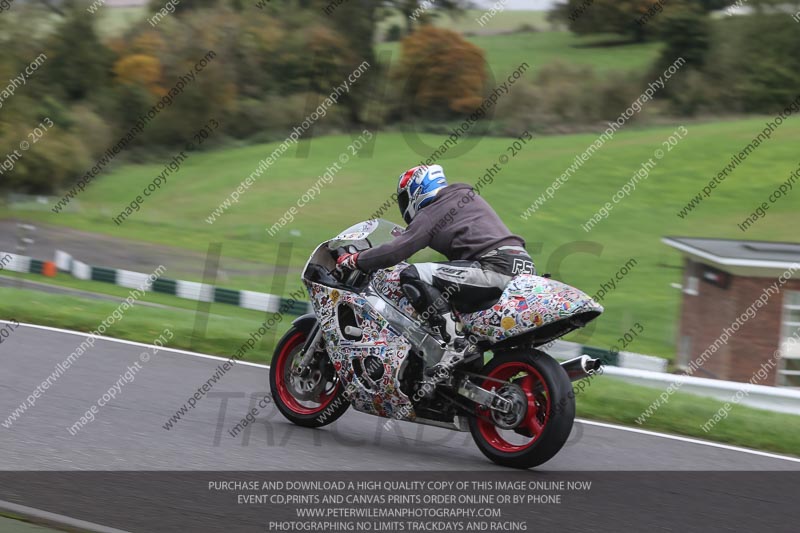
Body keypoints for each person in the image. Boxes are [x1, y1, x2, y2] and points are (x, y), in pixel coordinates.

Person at [336, 164, 534, 372]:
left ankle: (455, 345)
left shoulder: (435, 209)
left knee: (412, 274)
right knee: (456, 301)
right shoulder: (465, 196)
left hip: (495, 267)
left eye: (404, 199)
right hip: (523, 265)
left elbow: (396, 251)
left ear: (417, 191)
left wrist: (355, 259)